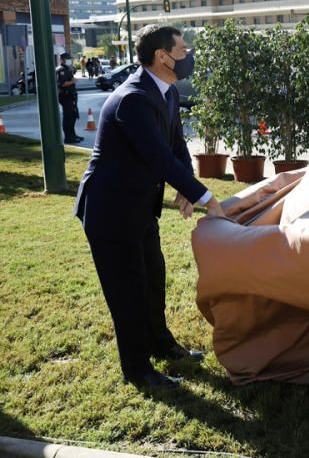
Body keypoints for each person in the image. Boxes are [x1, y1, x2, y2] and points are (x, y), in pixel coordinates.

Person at [74, 24, 225, 389]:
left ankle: (162, 344)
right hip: (110, 211)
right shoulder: (134, 99)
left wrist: (187, 188)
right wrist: (208, 199)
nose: (187, 56)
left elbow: (175, 148)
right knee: (126, 291)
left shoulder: (167, 92)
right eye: (183, 50)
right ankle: (138, 369)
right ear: (162, 56)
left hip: (140, 208)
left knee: (153, 280)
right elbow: (158, 158)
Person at [56, 52, 82, 144]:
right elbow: (62, 84)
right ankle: (68, 137)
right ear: (62, 59)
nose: (69, 61)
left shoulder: (68, 68)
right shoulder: (61, 70)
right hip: (65, 96)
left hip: (71, 95)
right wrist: (73, 81)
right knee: (68, 117)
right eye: (67, 59)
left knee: (73, 116)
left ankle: (73, 135)